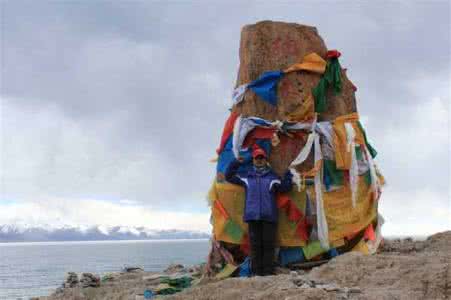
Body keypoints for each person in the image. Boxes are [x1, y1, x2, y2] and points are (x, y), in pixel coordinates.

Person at [225, 148, 293, 276]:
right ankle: (256, 273)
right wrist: (236, 163)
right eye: (257, 158)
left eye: (262, 157)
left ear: (266, 160)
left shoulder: (273, 177)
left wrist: (288, 173)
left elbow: (286, 187)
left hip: (269, 216)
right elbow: (229, 176)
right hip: (252, 216)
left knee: (268, 246)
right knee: (255, 247)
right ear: (253, 160)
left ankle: (267, 273)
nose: (260, 160)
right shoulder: (246, 176)